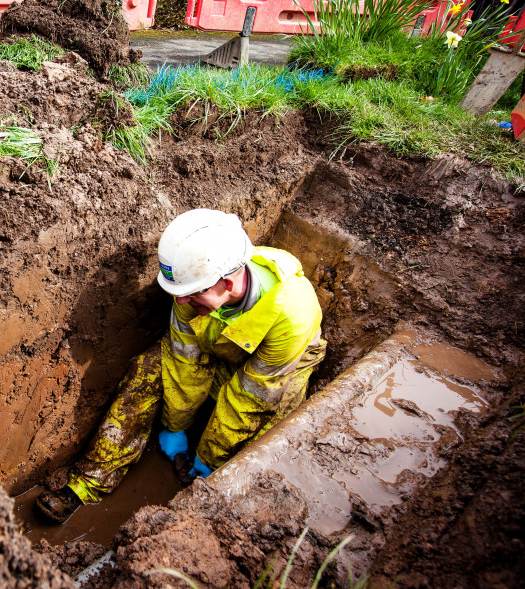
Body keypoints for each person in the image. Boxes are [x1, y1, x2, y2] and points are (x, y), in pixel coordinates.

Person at [36, 209, 326, 523]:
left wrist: (208, 459)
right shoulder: (195, 282)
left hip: (273, 378)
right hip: (217, 352)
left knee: (272, 434)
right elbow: (184, 363)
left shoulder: (293, 316)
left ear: (227, 283)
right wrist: (176, 428)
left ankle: (205, 509)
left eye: (189, 295)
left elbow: (248, 400)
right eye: (178, 293)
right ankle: (87, 484)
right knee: (148, 369)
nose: (181, 302)